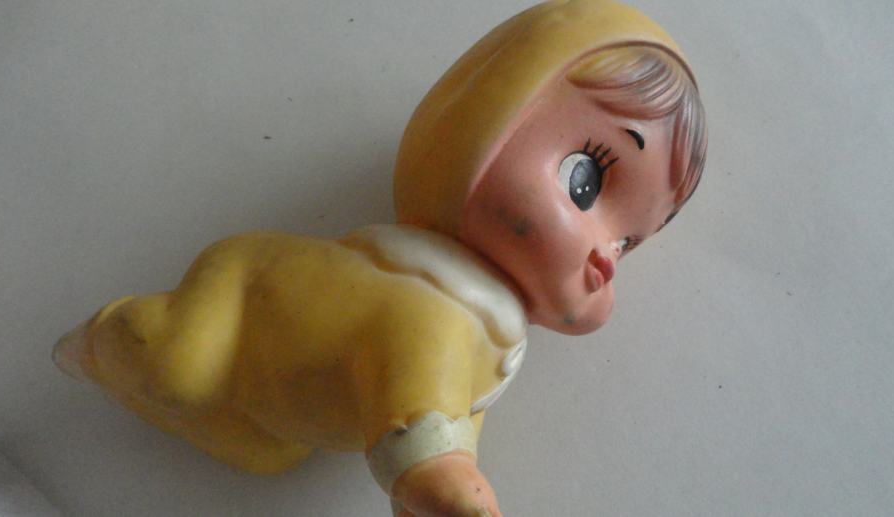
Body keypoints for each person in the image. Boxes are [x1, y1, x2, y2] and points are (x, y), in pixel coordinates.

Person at [54, 1, 706, 515]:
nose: (605, 257)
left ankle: (141, 382)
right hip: (242, 291)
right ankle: (105, 341)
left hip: (289, 408)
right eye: (584, 182)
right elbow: (419, 417)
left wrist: (428, 481)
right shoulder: (425, 308)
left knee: (269, 455)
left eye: (629, 242)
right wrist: (440, 482)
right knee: (177, 364)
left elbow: (449, 420)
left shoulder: (486, 335)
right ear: (481, 123)